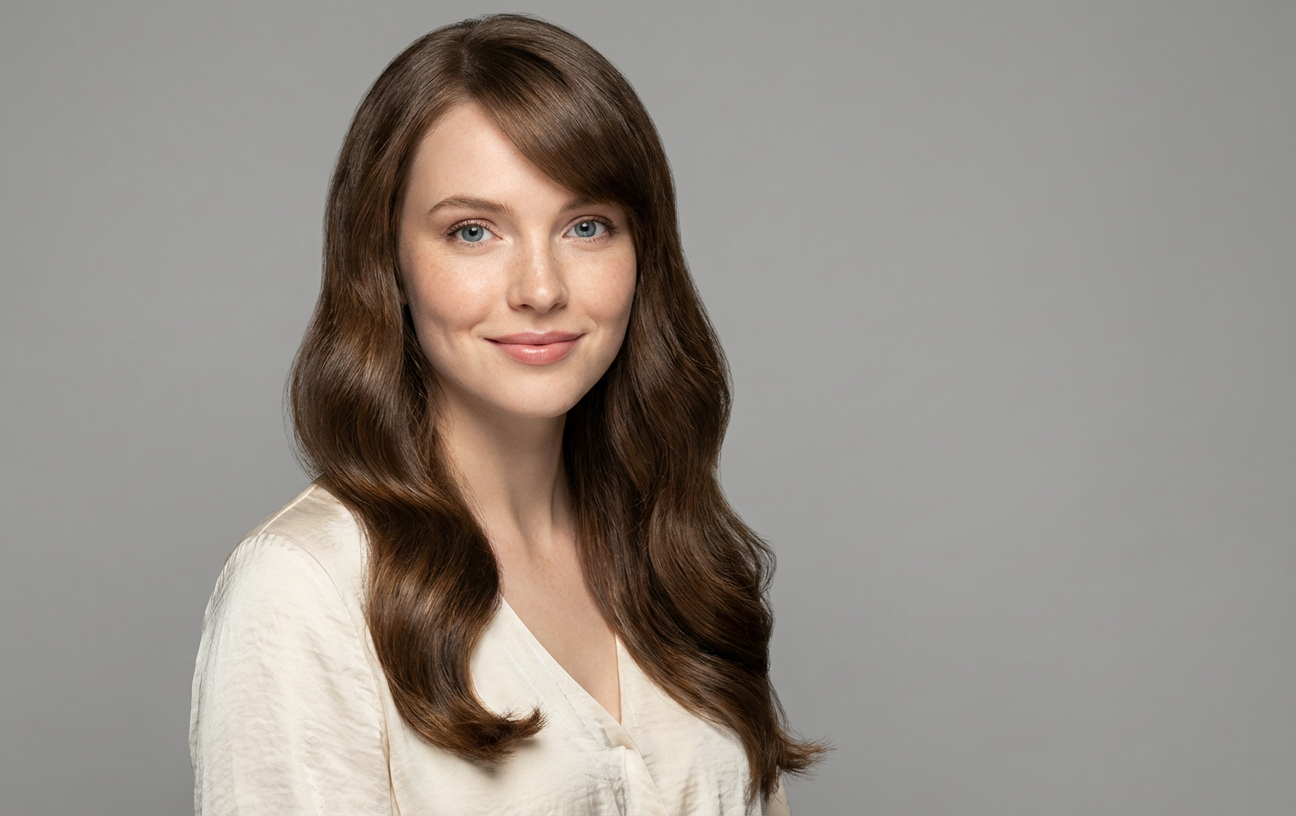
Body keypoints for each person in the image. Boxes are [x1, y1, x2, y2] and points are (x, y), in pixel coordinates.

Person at [189, 13, 822, 815]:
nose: (541, 288)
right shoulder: (307, 588)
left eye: (586, 226)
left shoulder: (679, 559)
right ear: (386, 261)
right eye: (474, 231)